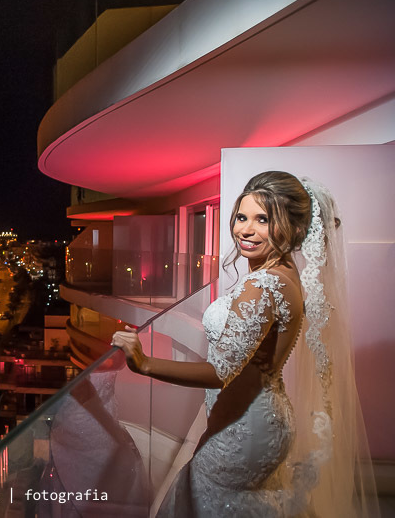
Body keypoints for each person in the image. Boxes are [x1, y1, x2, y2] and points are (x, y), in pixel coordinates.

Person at [111, 171, 377, 517]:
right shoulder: (285, 273)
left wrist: (144, 363)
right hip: (257, 416)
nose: (245, 230)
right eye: (241, 217)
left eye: (263, 220)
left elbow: (220, 372)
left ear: (293, 228)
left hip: (244, 428)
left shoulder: (263, 286)